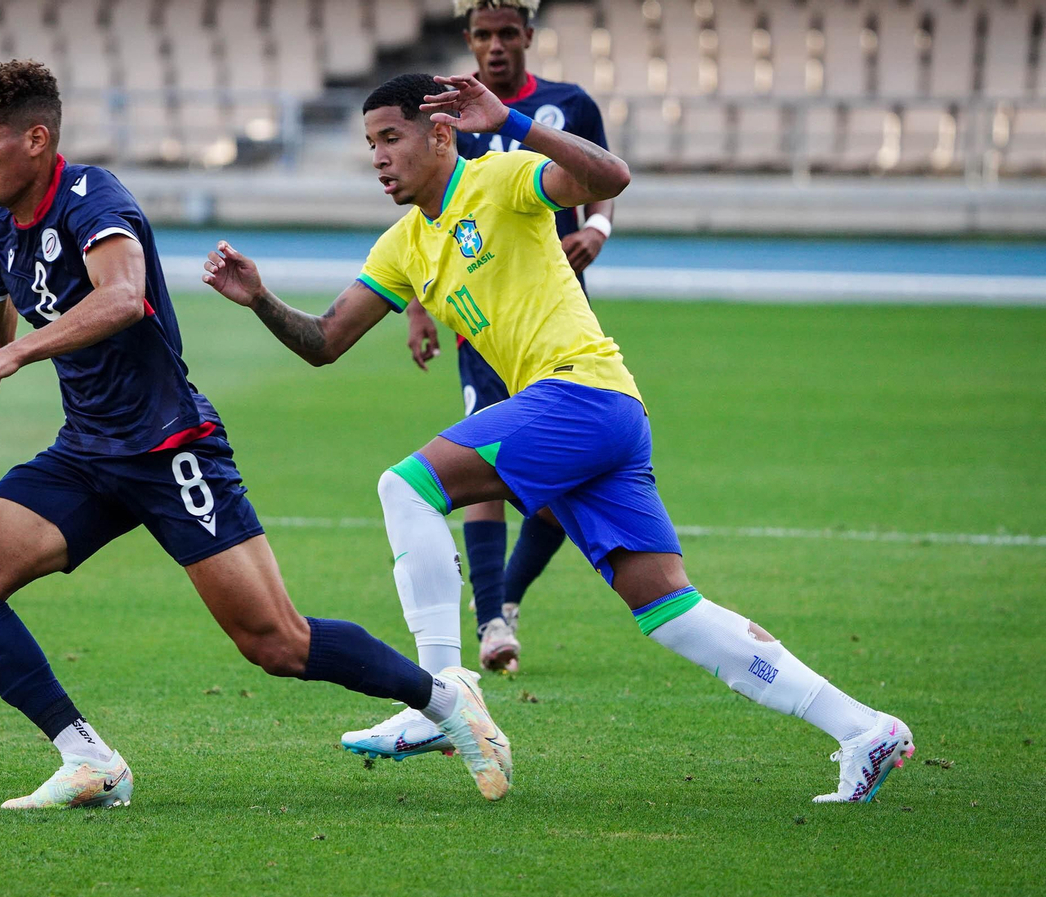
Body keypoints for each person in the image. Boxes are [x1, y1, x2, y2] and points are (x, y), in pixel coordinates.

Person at [202, 72, 914, 803]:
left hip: (579, 392)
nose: (379, 157)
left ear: (440, 134)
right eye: (370, 143)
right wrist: (259, 299)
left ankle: (444, 693)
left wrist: (513, 121)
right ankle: (863, 727)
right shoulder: (403, 246)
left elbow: (611, 176)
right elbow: (325, 341)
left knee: (405, 485)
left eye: (391, 138)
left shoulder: (502, 176)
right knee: (673, 612)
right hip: (601, 415)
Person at [0, 59, 512, 811]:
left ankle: (449, 703)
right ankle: (88, 757)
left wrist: (16, 351)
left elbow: (124, 298)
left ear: (36, 139)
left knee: (277, 643)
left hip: (170, 448)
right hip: (89, 452)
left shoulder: (92, 198)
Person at [403, 0, 617, 675]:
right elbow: (425, 203)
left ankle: (509, 593)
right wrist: (413, 303)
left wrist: (598, 227)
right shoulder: (450, 113)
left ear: (527, 36)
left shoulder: (567, 104)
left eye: (507, 33)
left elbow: (600, 173)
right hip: (480, 320)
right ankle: (491, 616)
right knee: (483, 457)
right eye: (482, 35)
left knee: (565, 476)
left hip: (557, 317)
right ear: (468, 39)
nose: (495, 46)